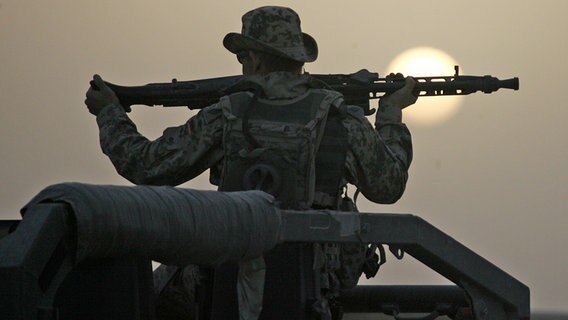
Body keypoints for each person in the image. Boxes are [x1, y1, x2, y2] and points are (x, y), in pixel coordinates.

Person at [85, 6, 417, 320]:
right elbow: (388, 186)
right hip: (318, 287)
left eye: (244, 56)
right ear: (297, 59)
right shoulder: (341, 117)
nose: (242, 64)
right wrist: (391, 115)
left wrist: (110, 114)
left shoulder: (227, 113)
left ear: (256, 59)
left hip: (229, 275)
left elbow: (146, 166)